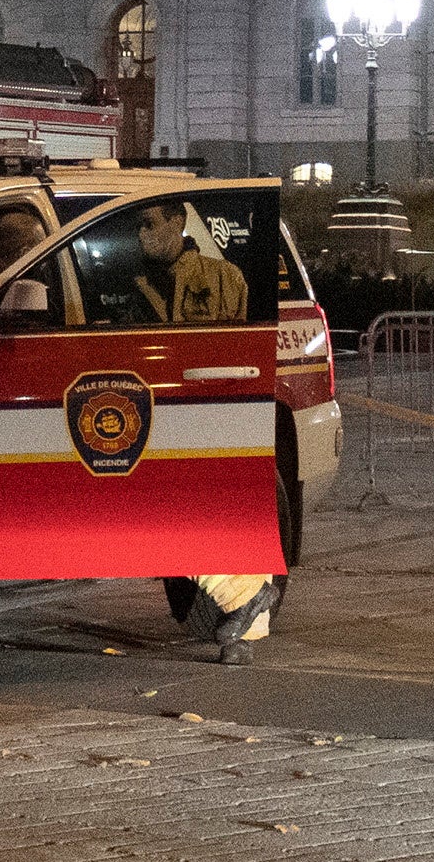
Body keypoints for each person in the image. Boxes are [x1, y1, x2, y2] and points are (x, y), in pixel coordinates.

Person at [129, 199, 272, 663]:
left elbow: (238, 350)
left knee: (164, 512)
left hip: (201, 410)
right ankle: (245, 626)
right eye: (136, 227)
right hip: (148, 411)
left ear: (178, 221)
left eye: (149, 223)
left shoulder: (224, 278)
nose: (141, 235)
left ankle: (246, 608)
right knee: (173, 511)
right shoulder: (128, 284)